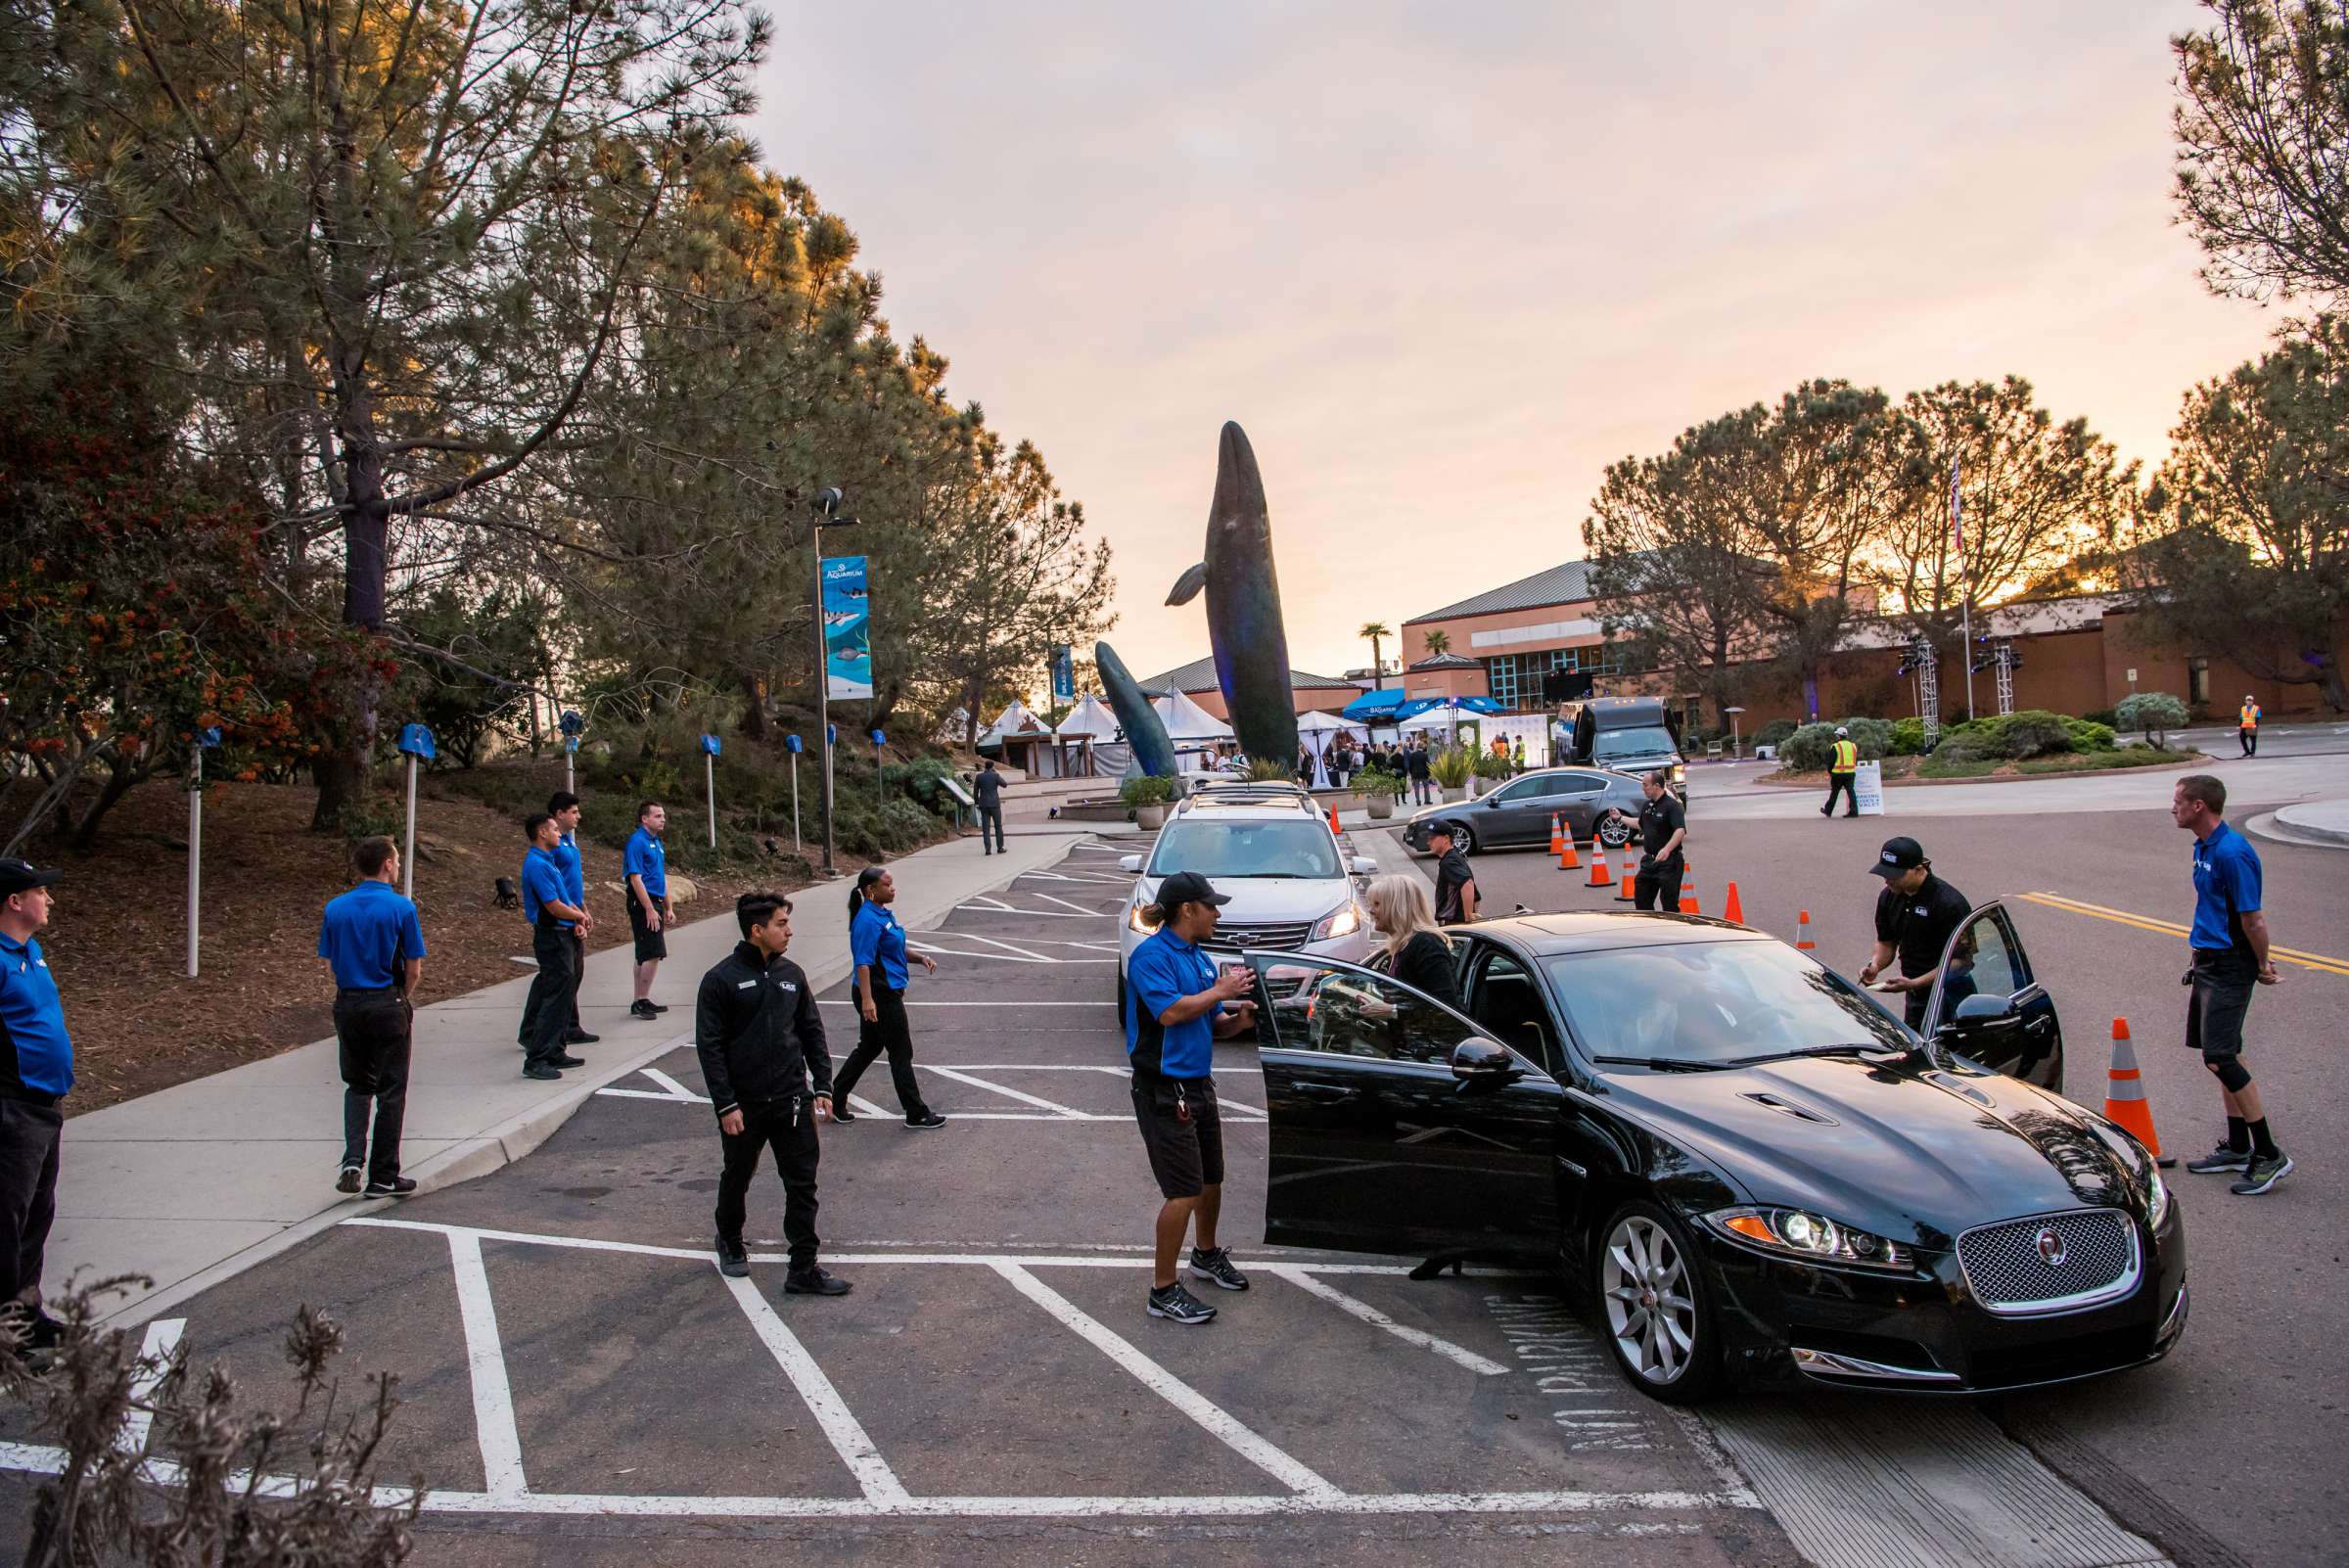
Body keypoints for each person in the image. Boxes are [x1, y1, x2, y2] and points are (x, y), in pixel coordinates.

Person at [697, 892, 851, 1295]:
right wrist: (725, 1104)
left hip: (792, 1102)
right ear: (756, 930)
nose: (789, 931)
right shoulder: (721, 980)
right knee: (738, 1175)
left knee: (802, 1184)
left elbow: (812, 1031)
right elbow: (710, 1047)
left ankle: (803, 1267)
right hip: (744, 1107)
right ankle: (729, 1240)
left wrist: (823, 1084)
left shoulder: (792, 975)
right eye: (781, 924)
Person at [1124, 871, 1257, 1323]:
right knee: (1182, 1192)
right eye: (1211, 906)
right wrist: (1219, 991)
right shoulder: (1150, 957)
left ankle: (1205, 1254)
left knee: (1211, 1180)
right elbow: (1169, 1013)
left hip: (1199, 1084)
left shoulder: (1199, 956)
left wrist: (1238, 1019)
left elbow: (1212, 1021)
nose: (1217, 914)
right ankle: (1162, 1290)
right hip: (1164, 1090)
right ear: (1187, 910)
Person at [2172, 774, 2291, 1195]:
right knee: (2217, 1055)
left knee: (2222, 1057)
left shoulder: (2232, 852)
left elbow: (2252, 918)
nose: (2173, 808)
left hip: (2229, 965)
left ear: (2200, 806)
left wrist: (2261, 963)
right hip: (2206, 961)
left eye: (2179, 802)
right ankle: (2238, 1146)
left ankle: (2269, 1153)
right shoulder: (2204, 847)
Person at [316, 837, 426, 1197]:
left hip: (348, 1004)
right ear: (387, 865)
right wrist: (401, 1000)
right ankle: (383, 1174)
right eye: (396, 860)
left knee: (358, 1084)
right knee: (391, 1089)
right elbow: (413, 969)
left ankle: (352, 1158)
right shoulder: (401, 909)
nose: (398, 866)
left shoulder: (335, 908)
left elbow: (330, 962)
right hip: (387, 1002)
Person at [0, 858, 70, 1355]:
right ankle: (7, 1335)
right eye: (40, 892)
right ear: (14, 901)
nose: (48, 900)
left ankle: (28, 1313)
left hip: (44, 1106)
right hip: (12, 1107)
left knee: (36, 1216)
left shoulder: (30, 951)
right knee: (6, 1222)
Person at [830, 867, 947, 1130]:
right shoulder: (866, 921)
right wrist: (867, 1001)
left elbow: (894, 947)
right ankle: (915, 1112)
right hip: (878, 995)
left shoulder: (882, 914)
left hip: (882, 992)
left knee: (869, 1048)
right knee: (900, 1052)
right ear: (872, 890)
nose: (893, 889)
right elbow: (862, 963)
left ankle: (835, 1097)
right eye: (887, 885)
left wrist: (919, 958)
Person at [1858, 836, 1972, 1032]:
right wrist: (1875, 966)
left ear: (1919, 870)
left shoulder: (1949, 903)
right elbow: (1886, 943)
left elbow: (1962, 962)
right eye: (1885, 874)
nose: (1887, 880)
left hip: (1950, 996)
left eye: (1894, 875)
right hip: (1915, 996)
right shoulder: (1889, 897)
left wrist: (1914, 983)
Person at [517, 813, 589, 1081]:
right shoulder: (536, 864)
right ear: (542, 833)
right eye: (555, 830)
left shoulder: (549, 862)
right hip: (551, 937)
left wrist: (577, 919)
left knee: (565, 994)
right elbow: (552, 905)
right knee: (555, 997)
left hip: (563, 932)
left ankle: (556, 1050)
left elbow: (564, 899)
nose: (560, 834)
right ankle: (536, 1058)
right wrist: (577, 916)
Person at [547, 791, 597, 1046]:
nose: (578, 816)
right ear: (559, 814)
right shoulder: (552, 845)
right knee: (563, 977)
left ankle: (571, 1025)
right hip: (561, 919)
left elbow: (573, 883)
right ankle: (550, 1029)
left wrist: (584, 910)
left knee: (575, 973)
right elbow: (556, 886)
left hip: (574, 913)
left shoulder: (567, 841)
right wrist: (574, 915)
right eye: (574, 812)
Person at [1362, 875, 1457, 1005]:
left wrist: (1393, 1012)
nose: (1371, 910)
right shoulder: (1403, 946)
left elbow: (1445, 1005)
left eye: (1377, 904)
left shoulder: (1427, 944)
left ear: (1397, 907)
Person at [1601, 769, 1686, 912]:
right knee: (1642, 899)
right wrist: (1620, 818)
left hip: (1670, 862)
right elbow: (1640, 824)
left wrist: (1667, 849)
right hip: (1650, 862)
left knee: (1669, 905)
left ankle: (1673, 931)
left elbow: (1680, 830)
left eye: (1646, 785)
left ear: (1657, 786)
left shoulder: (1672, 806)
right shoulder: (1648, 805)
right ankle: (1650, 928)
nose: (1643, 788)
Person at [624, 801, 670, 1020]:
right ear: (645, 819)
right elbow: (635, 878)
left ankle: (640, 999)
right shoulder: (637, 842)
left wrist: (668, 906)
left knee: (645, 952)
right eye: (658, 816)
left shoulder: (656, 842)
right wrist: (649, 909)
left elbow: (660, 875)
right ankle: (641, 999)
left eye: (663, 816)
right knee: (653, 952)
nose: (663, 820)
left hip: (657, 900)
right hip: (644, 902)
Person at [1428, 821, 1478, 924]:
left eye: (1432, 838)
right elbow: (1476, 897)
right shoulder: (1455, 857)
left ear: (1446, 839)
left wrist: (1468, 918)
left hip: (1453, 923)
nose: (1429, 842)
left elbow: (1467, 883)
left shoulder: (1448, 862)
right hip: (1458, 923)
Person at [1821, 727, 1860, 818]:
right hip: (1850, 773)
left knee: (1834, 792)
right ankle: (1854, 811)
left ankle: (1828, 811)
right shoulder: (1853, 745)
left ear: (1838, 736)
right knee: (1851, 792)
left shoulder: (1836, 746)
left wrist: (1830, 771)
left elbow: (1831, 761)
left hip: (1838, 774)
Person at [973, 760, 1006, 854]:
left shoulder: (979, 776)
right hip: (995, 804)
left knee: (986, 828)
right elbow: (1005, 784)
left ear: (985, 766)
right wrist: (996, 773)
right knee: (998, 826)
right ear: (992, 767)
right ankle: (1000, 848)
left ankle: (988, 850)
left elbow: (975, 792)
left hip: (983, 805)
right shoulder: (995, 775)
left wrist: (977, 802)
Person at [1406, 738, 1434, 806]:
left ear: (1417, 747)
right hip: (1424, 773)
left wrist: (1411, 772)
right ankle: (1427, 800)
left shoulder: (1413, 755)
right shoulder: (1425, 755)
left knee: (1416, 788)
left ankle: (1418, 801)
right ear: (1422, 747)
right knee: (1426, 787)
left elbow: (1410, 765)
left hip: (1415, 773)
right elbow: (1428, 764)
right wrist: (1429, 773)